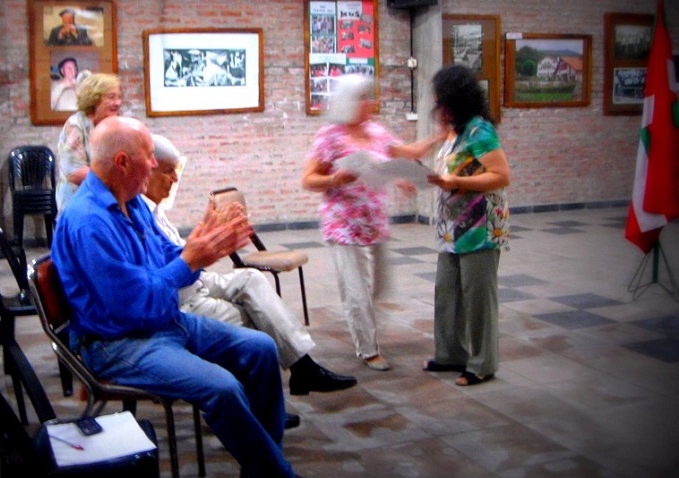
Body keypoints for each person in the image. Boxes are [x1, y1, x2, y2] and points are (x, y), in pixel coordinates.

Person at [52, 116, 338, 478]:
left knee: (261, 348)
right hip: (118, 343)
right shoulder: (87, 221)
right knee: (221, 388)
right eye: (149, 157)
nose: (155, 165)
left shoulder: (130, 202)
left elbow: (163, 264)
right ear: (122, 162)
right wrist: (190, 259)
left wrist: (199, 247)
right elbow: (132, 305)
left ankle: (262, 470)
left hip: (162, 323)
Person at [144, 134, 357, 398]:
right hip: (179, 297)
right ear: (147, 170)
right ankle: (260, 401)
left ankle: (303, 367)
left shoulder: (154, 208)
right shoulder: (135, 212)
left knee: (252, 278)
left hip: (193, 281)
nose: (176, 180)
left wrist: (205, 242)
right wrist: (203, 248)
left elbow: (176, 252)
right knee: (256, 318)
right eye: (168, 172)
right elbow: (165, 268)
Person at [301, 74, 424, 371]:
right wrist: (334, 178)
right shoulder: (330, 135)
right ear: (347, 102)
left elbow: (406, 153)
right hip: (342, 223)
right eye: (363, 98)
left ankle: (362, 320)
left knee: (381, 287)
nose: (369, 103)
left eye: (369, 97)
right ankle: (368, 349)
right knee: (356, 289)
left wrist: (438, 139)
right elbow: (308, 180)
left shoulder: (376, 132)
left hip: (374, 220)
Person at [419, 64, 511, 386]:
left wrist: (456, 180)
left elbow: (501, 176)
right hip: (451, 227)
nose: (436, 105)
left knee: (478, 297)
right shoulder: (455, 131)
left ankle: (483, 362)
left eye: (440, 98)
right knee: (447, 292)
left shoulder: (479, 130)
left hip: (480, 225)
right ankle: (450, 354)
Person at [56, 72, 123, 213]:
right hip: (79, 204)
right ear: (95, 99)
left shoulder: (114, 124)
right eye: (111, 97)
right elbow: (74, 171)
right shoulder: (76, 125)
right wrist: (114, 179)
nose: (118, 103)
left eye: (119, 97)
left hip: (106, 200)